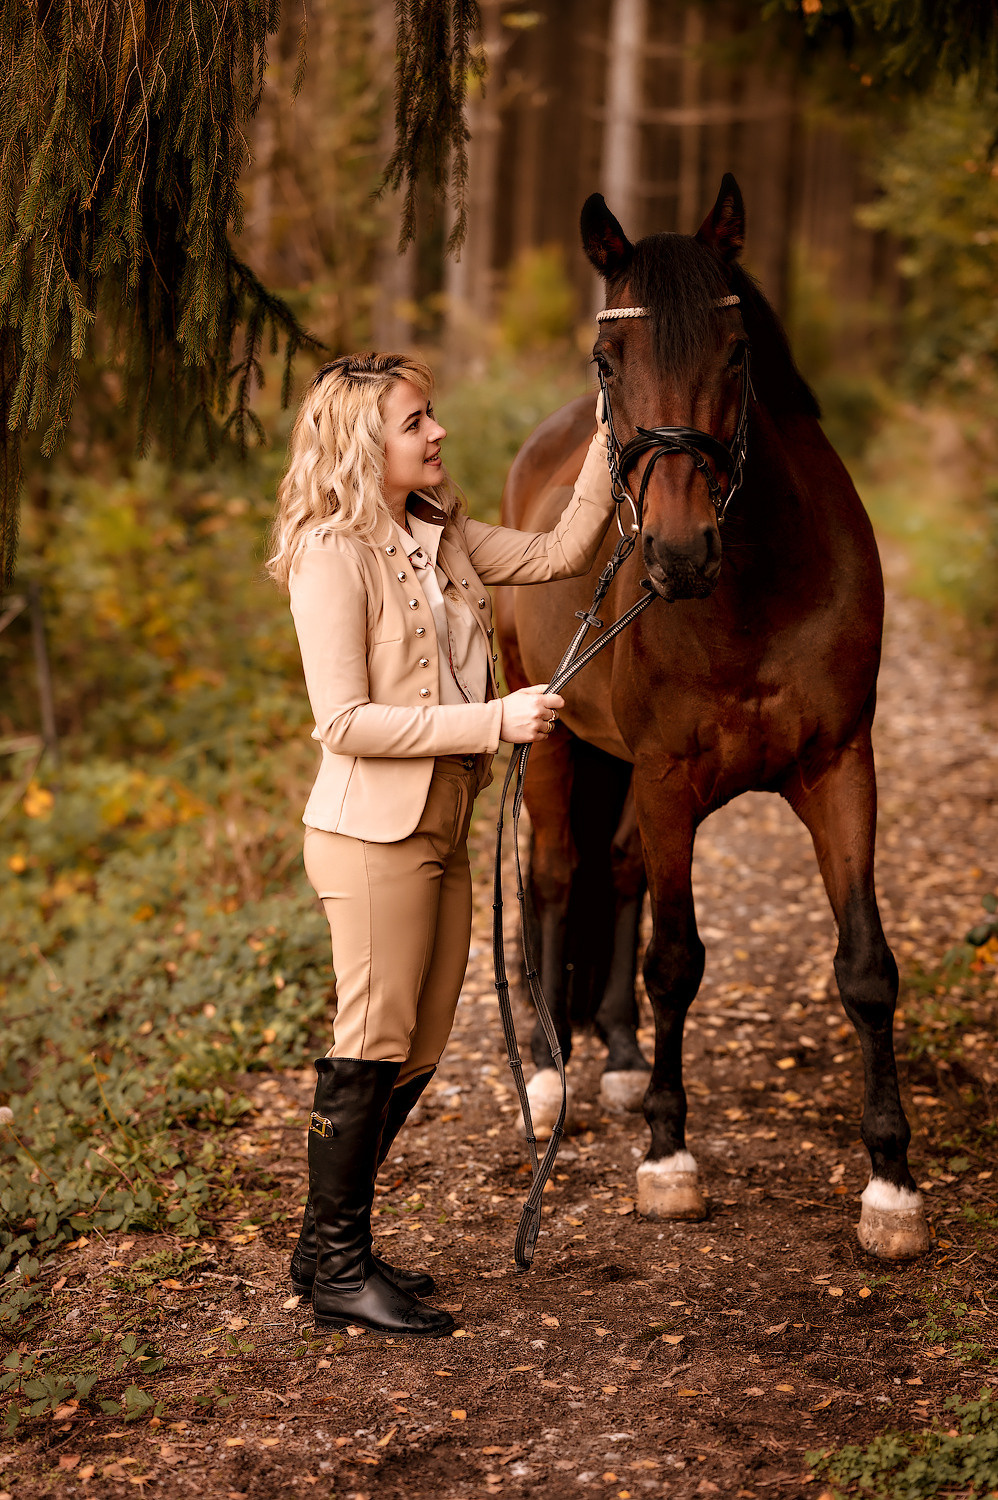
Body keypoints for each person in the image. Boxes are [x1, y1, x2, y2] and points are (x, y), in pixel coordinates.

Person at [267, 352, 614, 1338]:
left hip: (441, 829)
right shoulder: (327, 554)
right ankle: (335, 1268)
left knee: (415, 1050)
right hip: (370, 835)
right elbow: (342, 722)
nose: (438, 434)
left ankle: (325, 1246)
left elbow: (559, 553)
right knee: (368, 1044)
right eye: (417, 421)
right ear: (362, 444)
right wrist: (492, 721)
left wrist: (611, 425)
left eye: (431, 416)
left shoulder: (442, 532)